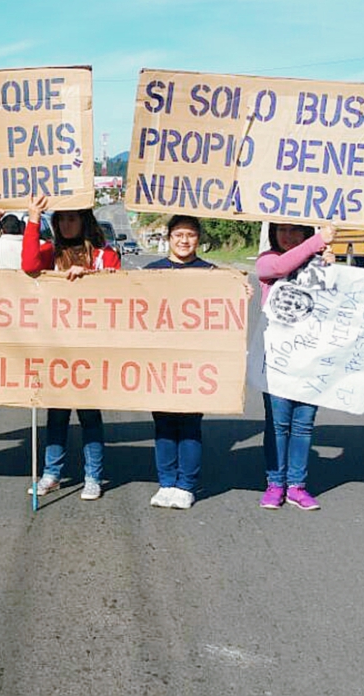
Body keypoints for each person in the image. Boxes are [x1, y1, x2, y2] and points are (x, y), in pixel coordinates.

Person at [21, 195, 121, 501]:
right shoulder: (50, 252)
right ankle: (52, 473)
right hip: (57, 346)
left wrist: (89, 276)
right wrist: (34, 217)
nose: (67, 224)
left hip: (91, 348)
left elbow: (119, 288)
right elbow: (27, 265)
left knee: (89, 415)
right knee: (57, 414)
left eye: (73, 218)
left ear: (84, 221)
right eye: (61, 218)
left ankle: (93, 476)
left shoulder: (106, 255)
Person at [255, 222, 336, 511]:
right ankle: (275, 484)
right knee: (277, 425)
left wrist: (330, 265)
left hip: (311, 360)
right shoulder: (266, 261)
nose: (288, 236)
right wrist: (317, 242)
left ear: (304, 232)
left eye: (295, 231)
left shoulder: (320, 262)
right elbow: (279, 269)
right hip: (277, 360)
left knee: (303, 425)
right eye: (282, 230)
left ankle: (297, 486)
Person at [143, 215, 213, 509]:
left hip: (195, 360)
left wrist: (240, 292)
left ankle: (186, 485)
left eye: (191, 234)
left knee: (189, 424)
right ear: (169, 237)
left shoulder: (212, 273)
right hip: (160, 359)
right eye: (179, 234)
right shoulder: (150, 272)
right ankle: (166, 482)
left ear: (199, 239)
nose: (184, 240)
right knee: (163, 423)